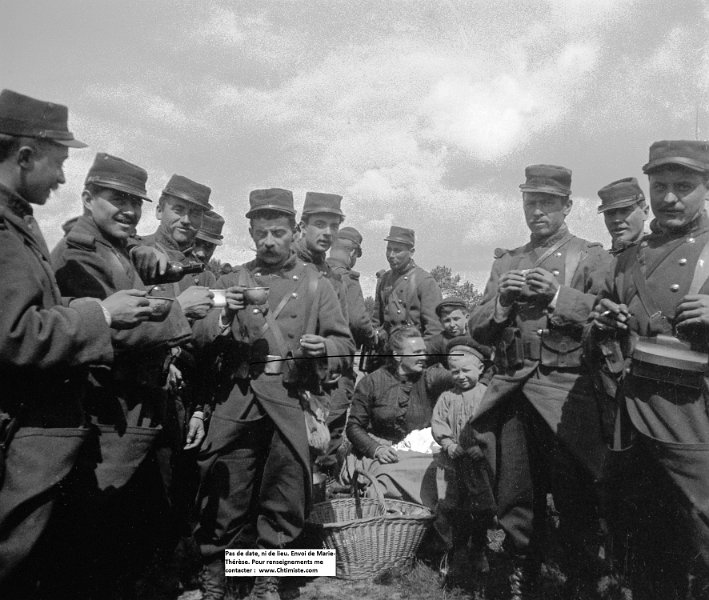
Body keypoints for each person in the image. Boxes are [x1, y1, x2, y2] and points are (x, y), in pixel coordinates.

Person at [0, 89, 152, 597]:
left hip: (43, 431)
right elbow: (16, 335)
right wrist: (101, 314)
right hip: (30, 431)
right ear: (24, 156)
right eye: (59, 162)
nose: (63, 177)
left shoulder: (17, 222)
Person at [194, 188, 353, 600]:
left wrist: (326, 351)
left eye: (278, 233)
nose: (268, 241)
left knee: (283, 495)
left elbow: (345, 346)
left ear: (293, 230)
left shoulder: (318, 286)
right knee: (224, 490)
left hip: (288, 396)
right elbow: (196, 337)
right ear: (249, 231)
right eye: (261, 233)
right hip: (238, 398)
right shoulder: (230, 280)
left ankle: (268, 579)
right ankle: (216, 578)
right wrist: (223, 316)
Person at [50, 152, 196, 598]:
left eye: (136, 202)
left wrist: (144, 253)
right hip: (107, 412)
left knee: (138, 528)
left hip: (135, 409)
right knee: (100, 533)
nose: (129, 211)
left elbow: (133, 272)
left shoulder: (116, 246)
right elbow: (112, 331)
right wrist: (180, 311)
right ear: (87, 197)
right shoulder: (77, 254)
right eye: (117, 199)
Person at [469, 164, 611, 598]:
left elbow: (608, 317)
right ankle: (520, 576)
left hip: (568, 391)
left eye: (547, 202)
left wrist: (556, 296)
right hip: (513, 390)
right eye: (531, 202)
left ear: (567, 205)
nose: (537, 211)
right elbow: (476, 329)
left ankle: (583, 580)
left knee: (575, 492)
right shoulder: (507, 261)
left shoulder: (589, 255)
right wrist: (502, 301)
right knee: (516, 493)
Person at [590, 140, 709, 599]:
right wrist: (608, 322)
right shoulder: (630, 257)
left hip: (694, 417)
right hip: (636, 418)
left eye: (684, 186)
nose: (671, 197)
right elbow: (616, 326)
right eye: (660, 186)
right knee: (647, 547)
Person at [344, 326, 454, 507]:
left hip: (421, 453)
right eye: (416, 352)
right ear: (397, 356)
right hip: (385, 453)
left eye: (424, 352)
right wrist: (376, 449)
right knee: (386, 475)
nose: (424, 357)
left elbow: (456, 377)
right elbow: (354, 427)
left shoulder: (429, 377)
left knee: (442, 471)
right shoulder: (371, 382)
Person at [431, 336, 495, 587]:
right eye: (454, 371)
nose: (460, 376)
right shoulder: (447, 397)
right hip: (453, 464)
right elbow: (439, 423)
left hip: (478, 465)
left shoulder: (487, 395)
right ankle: (455, 552)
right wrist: (448, 443)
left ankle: (478, 549)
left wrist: (482, 446)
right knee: (454, 509)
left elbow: (492, 424)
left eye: (466, 370)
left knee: (481, 509)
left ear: (480, 368)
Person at [372, 226, 443, 349]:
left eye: (397, 250)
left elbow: (434, 331)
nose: (391, 255)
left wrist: (418, 356)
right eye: (388, 249)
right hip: (387, 354)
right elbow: (376, 321)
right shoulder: (384, 279)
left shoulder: (425, 281)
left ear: (411, 252)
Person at [597, 177, 648, 254]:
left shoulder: (661, 256)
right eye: (610, 213)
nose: (616, 219)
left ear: (645, 212)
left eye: (625, 210)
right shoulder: (601, 261)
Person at [427, 296, 470, 366]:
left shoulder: (476, 337)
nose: (452, 325)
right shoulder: (437, 342)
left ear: (466, 318)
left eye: (456, 319)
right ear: (441, 322)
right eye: (447, 320)